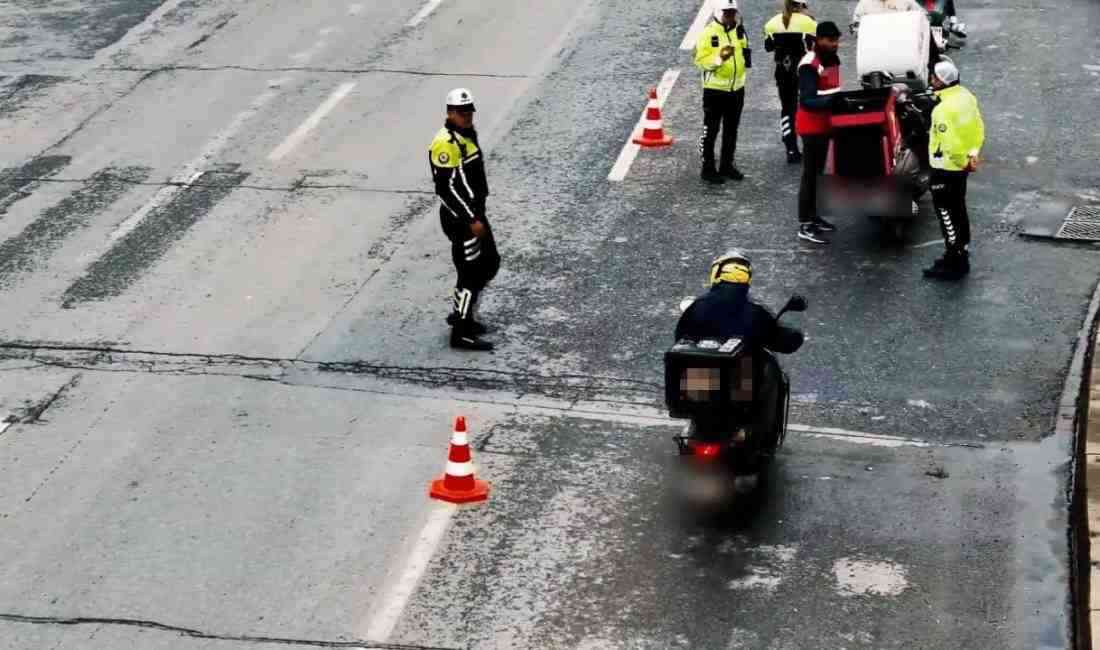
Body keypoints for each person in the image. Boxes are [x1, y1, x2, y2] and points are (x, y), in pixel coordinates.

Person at [675, 251, 804, 457]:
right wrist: (795, 336)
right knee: (771, 379)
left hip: (698, 388)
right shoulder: (755, 312)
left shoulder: (697, 307)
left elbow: (679, 338)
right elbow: (783, 341)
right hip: (741, 392)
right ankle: (764, 441)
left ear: (716, 276)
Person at [428, 88, 501, 350]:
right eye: (461, 112)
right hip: (461, 219)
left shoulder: (466, 134)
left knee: (490, 262)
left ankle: (462, 313)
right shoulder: (445, 143)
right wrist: (471, 218)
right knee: (469, 272)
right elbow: (445, 189)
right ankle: (461, 331)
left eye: (469, 111)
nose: (466, 116)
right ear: (449, 113)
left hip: (474, 214)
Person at [923, 60, 983, 280]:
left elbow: (950, 144)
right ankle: (959, 253)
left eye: (934, 78)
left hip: (945, 169)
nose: (931, 80)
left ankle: (954, 261)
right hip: (962, 167)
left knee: (946, 214)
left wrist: (962, 161)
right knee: (959, 210)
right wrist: (973, 156)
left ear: (941, 81)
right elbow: (978, 127)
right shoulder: (967, 97)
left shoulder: (942, 110)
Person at [694, 0, 752, 184]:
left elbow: (744, 53)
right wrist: (719, 58)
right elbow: (700, 61)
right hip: (715, 91)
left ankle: (727, 165)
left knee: (731, 130)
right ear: (718, 13)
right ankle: (708, 169)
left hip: (736, 89)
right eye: (727, 12)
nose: (730, 16)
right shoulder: (708, 33)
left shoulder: (738, 31)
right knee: (711, 131)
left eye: (732, 12)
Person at [794, 21, 842, 244]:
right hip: (812, 127)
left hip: (825, 125)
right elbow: (808, 100)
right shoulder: (809, 65)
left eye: (836, 40)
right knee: (810, 175)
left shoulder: (829, 59)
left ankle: (814, 216)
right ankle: (805, 223)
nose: (835, 44)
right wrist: (834, 102)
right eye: (831, 41)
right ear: (819, 40)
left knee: (819, 174)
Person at [763, 0, 817, 164]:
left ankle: (791, 149)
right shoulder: (809, 22)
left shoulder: (771, 23)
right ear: (801, 6)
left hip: (783, 71)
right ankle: (811, 148)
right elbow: (815, 46)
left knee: (787, 109)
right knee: (809, 108)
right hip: (804, 70)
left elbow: (768, 47)